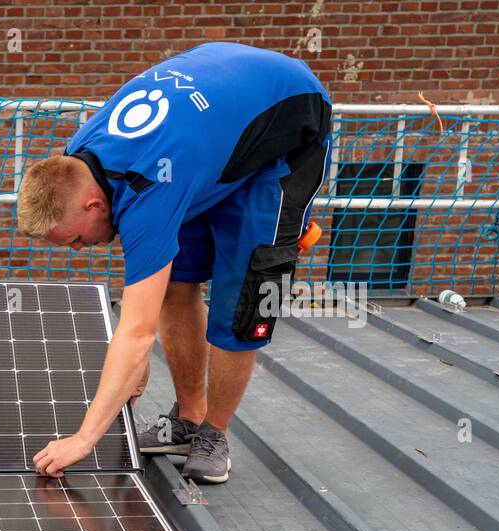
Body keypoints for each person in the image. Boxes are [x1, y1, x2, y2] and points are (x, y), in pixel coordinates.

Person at [18, 42, 331, 483]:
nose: (77, 249)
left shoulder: (148, 197)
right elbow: (146, 299)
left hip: (287, 126)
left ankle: (214, 433)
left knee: (242, 298)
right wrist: (136, 362)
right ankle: (187, 420)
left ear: (92, 206)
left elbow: (137, 330)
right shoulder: (77, 160)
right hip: (210, 130)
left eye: (73, 240)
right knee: (173, 283)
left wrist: (84, 439)